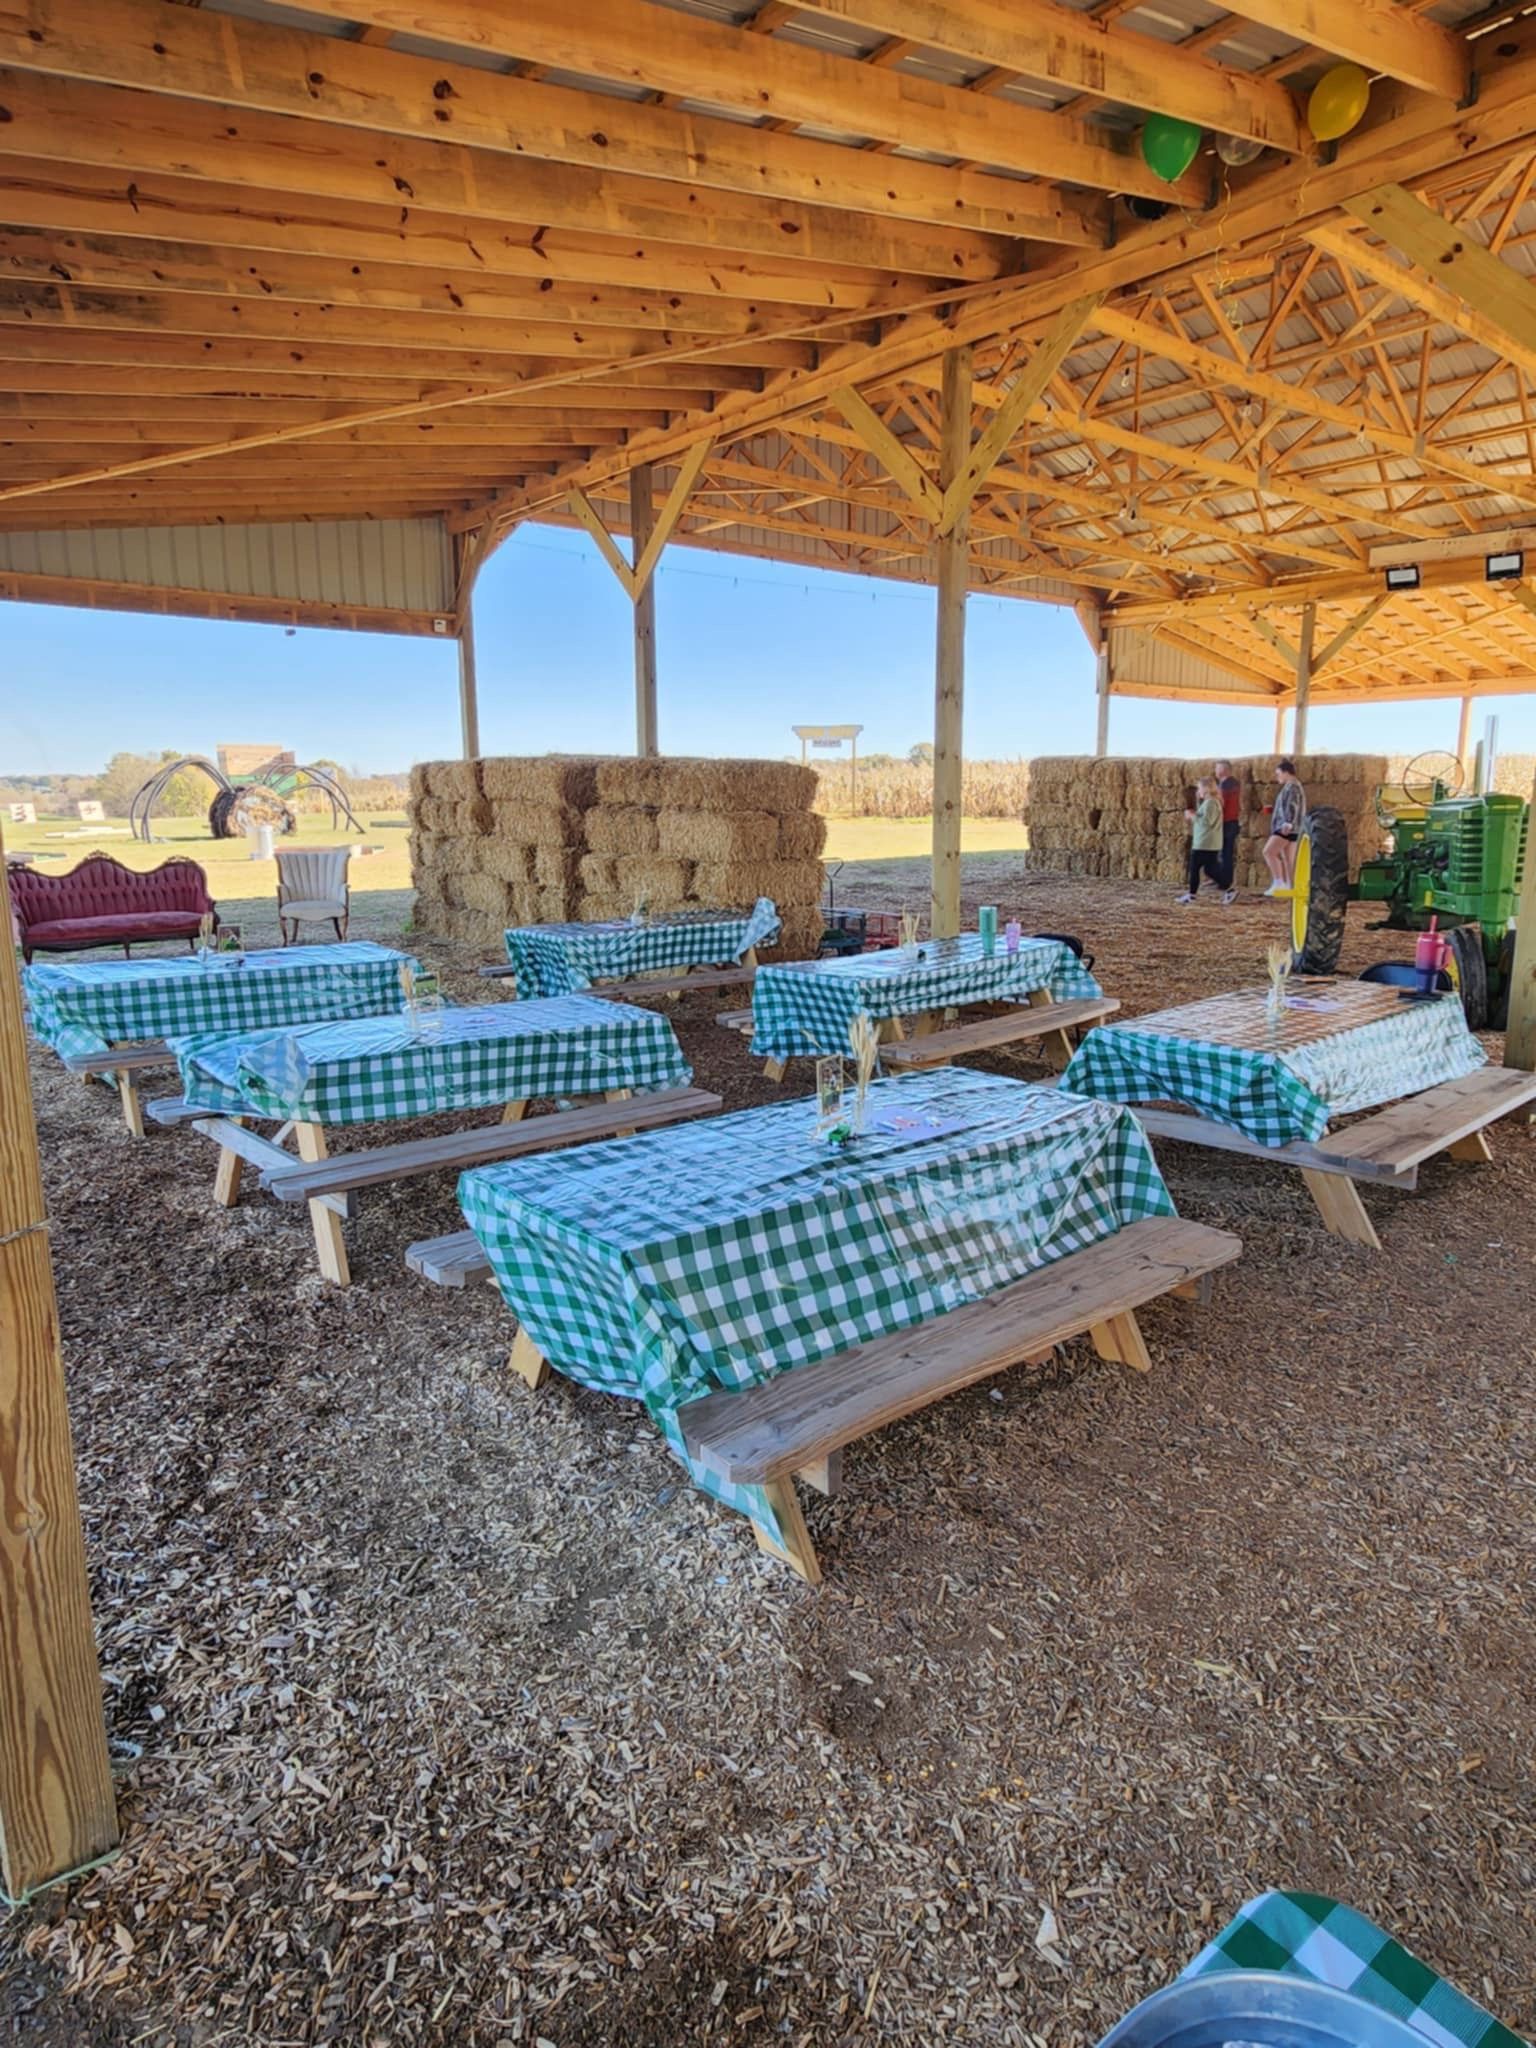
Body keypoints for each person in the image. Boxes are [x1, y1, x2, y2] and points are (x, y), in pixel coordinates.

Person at [1176, 777, 1225, 904]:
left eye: (1200, 787)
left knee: (1194, 868)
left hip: (1205, 843)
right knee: (1209, 869)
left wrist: (1192, 815)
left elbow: (1206, 822)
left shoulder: (1211, 803)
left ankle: (1191, 895)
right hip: (1207, 842)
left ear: (1207, 788)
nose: (1198, 790)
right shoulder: (1209, 802)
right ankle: (1229, 889)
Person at [1263, 758, 1306, 896]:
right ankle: (1290, 885)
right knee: (1289, 859)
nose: (1277, 777)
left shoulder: (1292, 786)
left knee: (1268, 852)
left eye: (1278, 774)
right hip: (1294, 827)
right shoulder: (1294, 786)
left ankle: (1278, 882)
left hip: (1286, 827)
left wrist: (1288, 822)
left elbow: (1293, 805)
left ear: (1286, 772)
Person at [1213, 758, 1242, 903]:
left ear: (1223, 769)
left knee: (1225, 853)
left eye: (1217, 768)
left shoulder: (1227, 785)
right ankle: (1222, 880)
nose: (1215, 771)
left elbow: (1220, 804)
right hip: (1230, 822)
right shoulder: (1231, 783)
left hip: (1227, 822)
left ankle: (1225, 882)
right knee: (1224, 852)